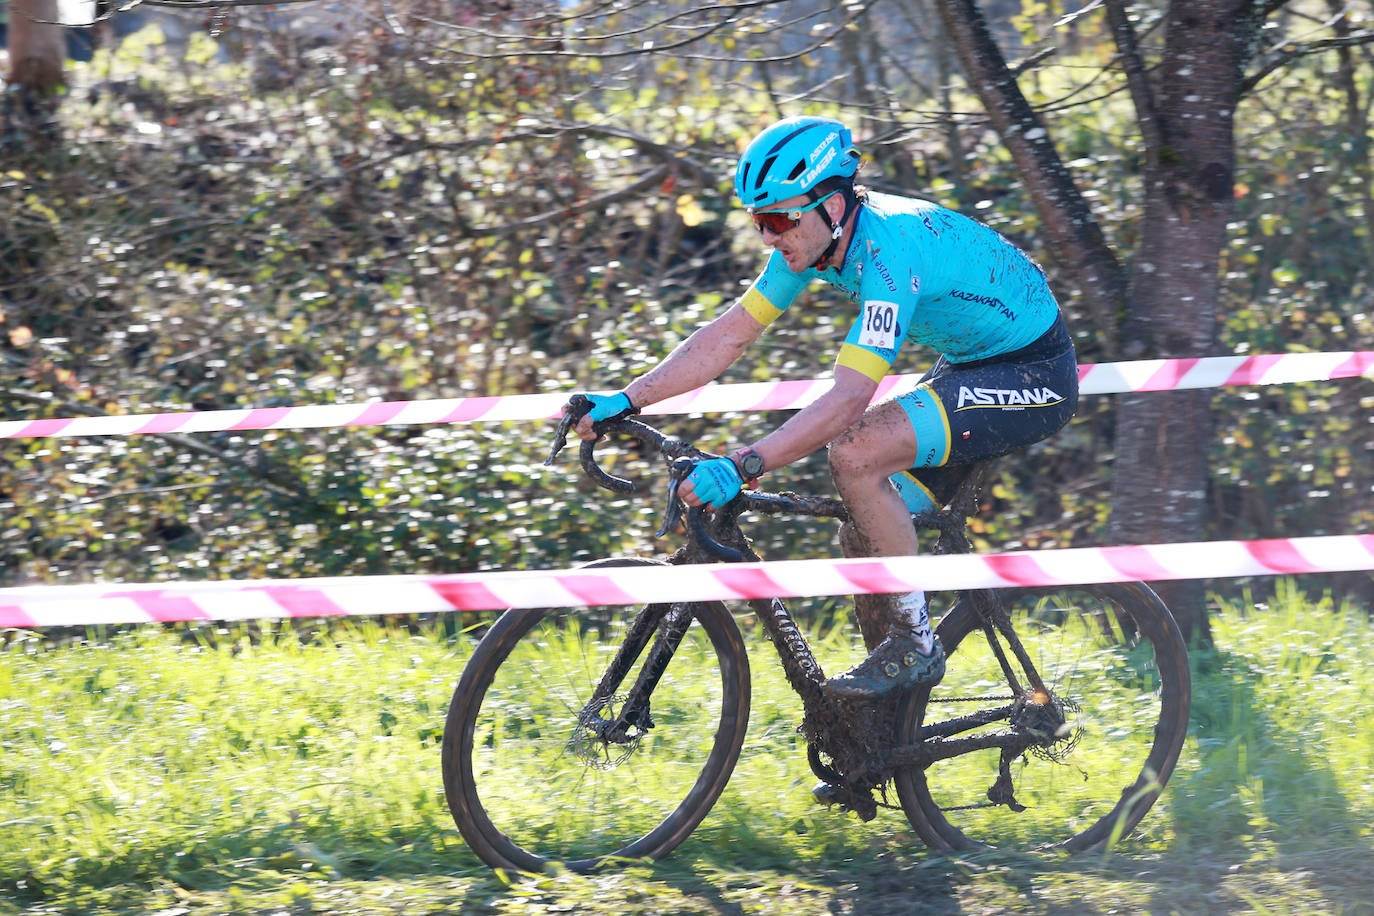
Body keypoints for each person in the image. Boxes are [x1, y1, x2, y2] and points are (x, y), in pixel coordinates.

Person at [568, 115, 1078, 701]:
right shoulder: (810, 247)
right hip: (971, 364)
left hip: (1031, 372)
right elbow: (727, 337)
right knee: (862, 537)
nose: (769, 237)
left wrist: (744, 464)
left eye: (781, 218)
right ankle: (883, 727)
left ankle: (916, 643)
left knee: (857, 452)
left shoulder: (888, 254)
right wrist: (629, 398)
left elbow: (847, 401)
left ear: (833, 207)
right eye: (760, 221)